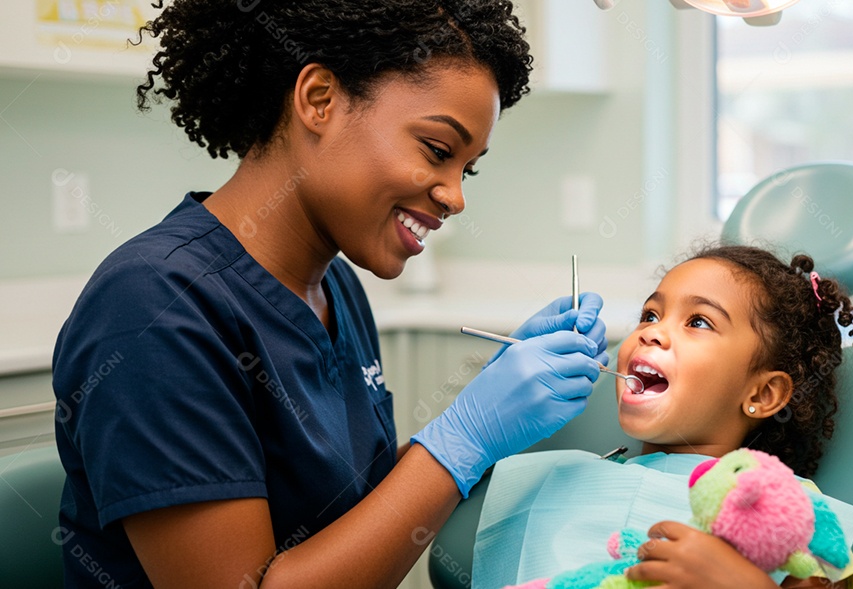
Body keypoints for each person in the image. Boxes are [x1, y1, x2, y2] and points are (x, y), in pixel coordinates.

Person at [50, 2, 607, 588]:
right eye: (439, 151)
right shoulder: (154, 304)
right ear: (320, 100)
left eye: (469, 168)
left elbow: (344, 521)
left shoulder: (335, 286)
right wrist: (461, 440)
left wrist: (484, 419)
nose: (455, 196)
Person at [475, 243, 853, 589]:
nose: (652, 332)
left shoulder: (784, 503)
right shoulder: (562, 475)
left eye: (698, 322)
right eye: (650, 315)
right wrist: (480, 422)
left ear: (763, 394)